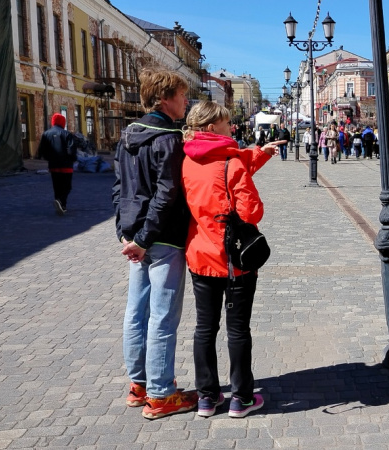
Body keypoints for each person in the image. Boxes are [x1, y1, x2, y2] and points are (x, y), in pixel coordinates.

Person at [181, 101, 280, 419]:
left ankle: (207, 399)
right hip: (234, 260)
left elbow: (229, 166)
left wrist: (260, 153)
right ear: (212, 129)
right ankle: (241, 398)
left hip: (200, 256)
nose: (231, 127)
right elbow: (252, 212)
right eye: (226, 123)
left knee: (204, 329)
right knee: (238, 330)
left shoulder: (186, 160)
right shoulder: (231, 163)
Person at [112, 68, 196, 419]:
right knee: (162, 315)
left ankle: (139, 384)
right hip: (162, 239)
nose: (186, 101)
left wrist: (126, 233)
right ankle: (161, 394)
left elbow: (119, 188)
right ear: (164, 98)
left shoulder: (128, 135)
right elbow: (167, 194)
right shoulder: (168, 139)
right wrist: (144, 239)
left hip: (135, 237)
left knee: (136, 313)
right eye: (181, 95)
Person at [38, 113, 77, 215]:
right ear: (62, 122)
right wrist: (72, 159)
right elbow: (71, 150)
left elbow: (41, 151)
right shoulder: (67, 134)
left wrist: (50, 158)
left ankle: (59, 202)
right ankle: (61, 203)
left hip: (53, 165)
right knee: (67, 186)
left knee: (57, 186)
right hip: (66, 165)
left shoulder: (46, 134)